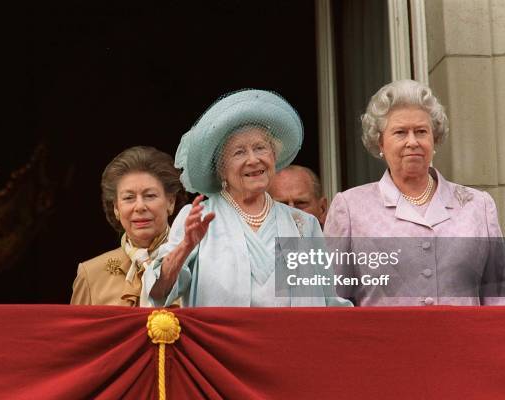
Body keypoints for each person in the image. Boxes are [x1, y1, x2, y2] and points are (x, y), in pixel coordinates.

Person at [144, 89, 352, 307]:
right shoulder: (198, 218)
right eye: (239, 152)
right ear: (221, 169)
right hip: (223, 341)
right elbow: (157, 293)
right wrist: (185, 246)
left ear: (273, 157)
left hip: (292, 340)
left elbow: (330, 304)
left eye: (260, 148)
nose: (253, 160)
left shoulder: (303, 224)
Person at [323, 79, 505, 306]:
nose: (412, 141)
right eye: (400, 132)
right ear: (380, 142)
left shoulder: (478, 205)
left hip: (464, 342)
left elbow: (501, 299)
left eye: (421, 131)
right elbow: (332, 301)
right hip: (384, 342)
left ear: (434, 139)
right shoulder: (350, 208)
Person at [71, 146, 186, 306]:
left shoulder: (197, 264)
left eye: (150, 196)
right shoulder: (91, 274)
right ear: (116, 208)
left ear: (170, 202)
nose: (139, 206)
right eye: (129, 198)